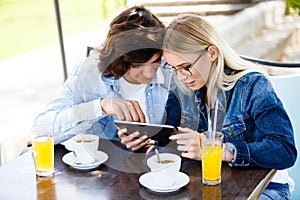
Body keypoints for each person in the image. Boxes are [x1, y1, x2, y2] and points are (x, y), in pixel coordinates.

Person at [162, 14, 297, 199]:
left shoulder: (252, 85)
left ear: (211, 53)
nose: (181, 76)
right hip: (209, 185)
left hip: (266, 187)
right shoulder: (183, 86)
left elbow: (284, 150)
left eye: (186, 66)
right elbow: (169, 133)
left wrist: (220, 150)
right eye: (174, 69)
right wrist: (146, 138)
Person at [32, 6, 181, 145]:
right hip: (100, 167)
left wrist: (147, 142)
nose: (149, 74)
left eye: (155, 61)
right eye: (137, 65)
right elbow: (41, 130)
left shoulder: (170, 66)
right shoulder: (88, 75)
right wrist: (100, 106)